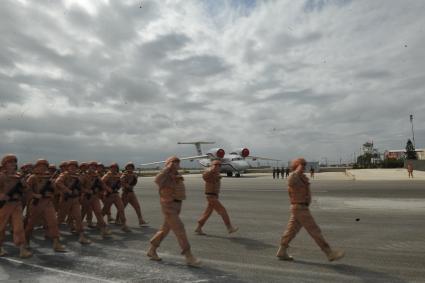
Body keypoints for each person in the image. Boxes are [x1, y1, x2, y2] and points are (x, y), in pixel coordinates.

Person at [277, 158, 344, 262]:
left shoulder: (301, 177)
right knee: (314, 230)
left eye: (304, 165)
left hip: (300, 208)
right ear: (297, 166)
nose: (304, 167)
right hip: (300, 208)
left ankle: (282, 251)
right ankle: (329, 253)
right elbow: (291, 180)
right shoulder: (294, 177)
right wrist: (298, 167)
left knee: (291, 231)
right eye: (302, 165)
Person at [147, 156, 201, 266]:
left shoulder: (176, 174)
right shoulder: (165, 175)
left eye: (177, 162)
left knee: (165, 230)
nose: (176, 164)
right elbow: (157, 180)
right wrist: (167, 168)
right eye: (174, 162)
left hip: (177, 205)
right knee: (180, 229)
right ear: (168, 164)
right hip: (169, 207)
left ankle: (152, 250)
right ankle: (189, 256)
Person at [25, 159, 66, 252]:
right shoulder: (32, 178)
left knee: (53, 222)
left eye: (45, 166)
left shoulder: (49, 178)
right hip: (37, 203)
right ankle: (26, 239)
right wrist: (35, 195)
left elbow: (55, 191)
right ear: (37, 167)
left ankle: (56, 243)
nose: (43, 168)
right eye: (40, 166)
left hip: (48, 203)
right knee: (31, 223)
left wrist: (53, 190)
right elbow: (26, 190)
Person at [0, 154, 32, 258]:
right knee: (1, 227)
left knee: (19, 227)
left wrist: (24, 184)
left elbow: (26, 190)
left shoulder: (19, 176)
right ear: (4, 164)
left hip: (16, 204)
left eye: (14, 162)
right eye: (10, 162)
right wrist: (2, 196)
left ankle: (22, 249)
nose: (13, 164)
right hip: (5, 205)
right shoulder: (1, 176)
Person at [195, 160, 238, 235]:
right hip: (211, 196)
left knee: (207, 213)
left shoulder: (216, 173)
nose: (218, 167)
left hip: (214, 195)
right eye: (216, 165)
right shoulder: (209, 171)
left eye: (219, 165)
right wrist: (212, 170)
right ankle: (229, 227)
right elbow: (204, 176)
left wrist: (217, 175)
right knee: (222, 210)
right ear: (212, 165)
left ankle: (198, 227)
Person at [55, 160, 91, 244]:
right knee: (60, 218)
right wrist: (68, 190)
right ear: (68, 167)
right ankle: (53, 233)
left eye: (74, 167)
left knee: (78, 217)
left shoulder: (78, 176)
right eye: (71, 166)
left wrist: (85, 191)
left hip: (75, 199)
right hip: (65, 199)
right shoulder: (64, 175)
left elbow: (80, 187)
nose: (73, 168)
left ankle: (81, 236)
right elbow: (58, 182)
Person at [80, 161, 112, 237]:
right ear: (89, 167)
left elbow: (102, 184)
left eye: (95, 166)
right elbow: (79, 187)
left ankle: (104, 230)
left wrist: (108, 189)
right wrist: (87, 191)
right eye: (92, 166)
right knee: (82, 213)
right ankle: (77, 227)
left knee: (98, 212)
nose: (93, 168)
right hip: (86, 197)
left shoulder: (96, 175)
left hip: (95, 197)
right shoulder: (84, 176)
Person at [116, 162, 148, 227]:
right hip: (126, 193)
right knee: (122, 208)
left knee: (137, 206)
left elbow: (134, 183)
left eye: (131, 167)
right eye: (128, 167)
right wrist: (126, 185)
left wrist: (133, 179)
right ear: (126, 168)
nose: (130, 168)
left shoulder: (134, 175)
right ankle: (117, 220)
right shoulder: (124, 175)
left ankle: (140, 220)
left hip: (132, 193)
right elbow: (122, 182)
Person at [102, 163, 130, 232]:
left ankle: (124, 225)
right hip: (109, 195)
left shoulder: (119, 175)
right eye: (112, 167)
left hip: (116, 195)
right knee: (105, 210)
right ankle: (99, 222)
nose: (114, 169)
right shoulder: (107, 175)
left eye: (115, 168)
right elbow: (101, 183)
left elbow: (123, 182)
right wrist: (107, 188)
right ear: (110, 168)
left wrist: (124, 183)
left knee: (121, 208)